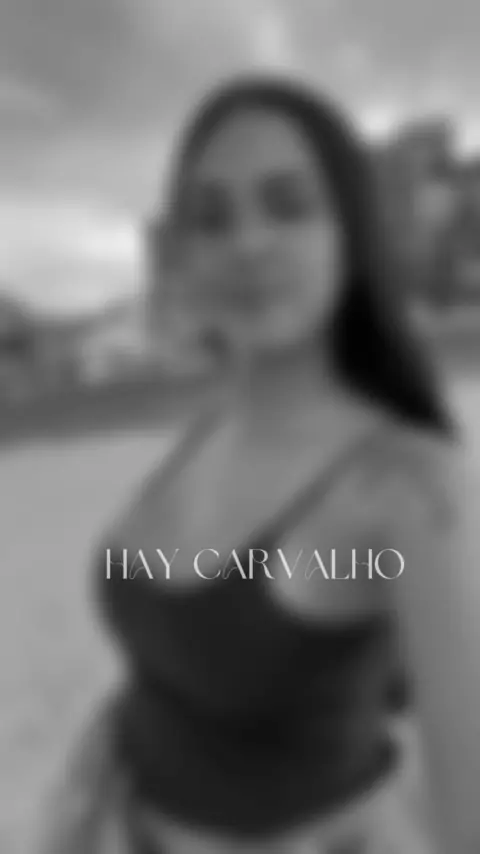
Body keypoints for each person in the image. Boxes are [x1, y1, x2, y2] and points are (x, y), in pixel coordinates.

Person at [40, 74, 479, 853]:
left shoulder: (405, 488)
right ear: (183, 253)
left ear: (350, 236)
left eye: (288, 204)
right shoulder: (207, 434)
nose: (248, 243)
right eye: (211, 218)